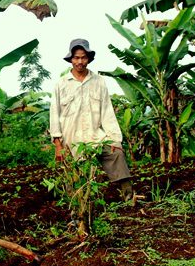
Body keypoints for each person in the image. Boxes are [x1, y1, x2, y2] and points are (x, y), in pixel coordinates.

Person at [49, 38, 133, 201]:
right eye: (76, 58)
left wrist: (116, 141)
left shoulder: (99, 82)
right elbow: (54, 114)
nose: (80, 62)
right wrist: (58, 145)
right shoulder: (61, 84)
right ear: (71, 59)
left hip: (96, 137)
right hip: (71, 140)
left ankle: (128, 198)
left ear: (88, 58)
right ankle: (77, 207)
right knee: (75, 177)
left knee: (117, 156)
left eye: (83, 57)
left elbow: (107, 112)